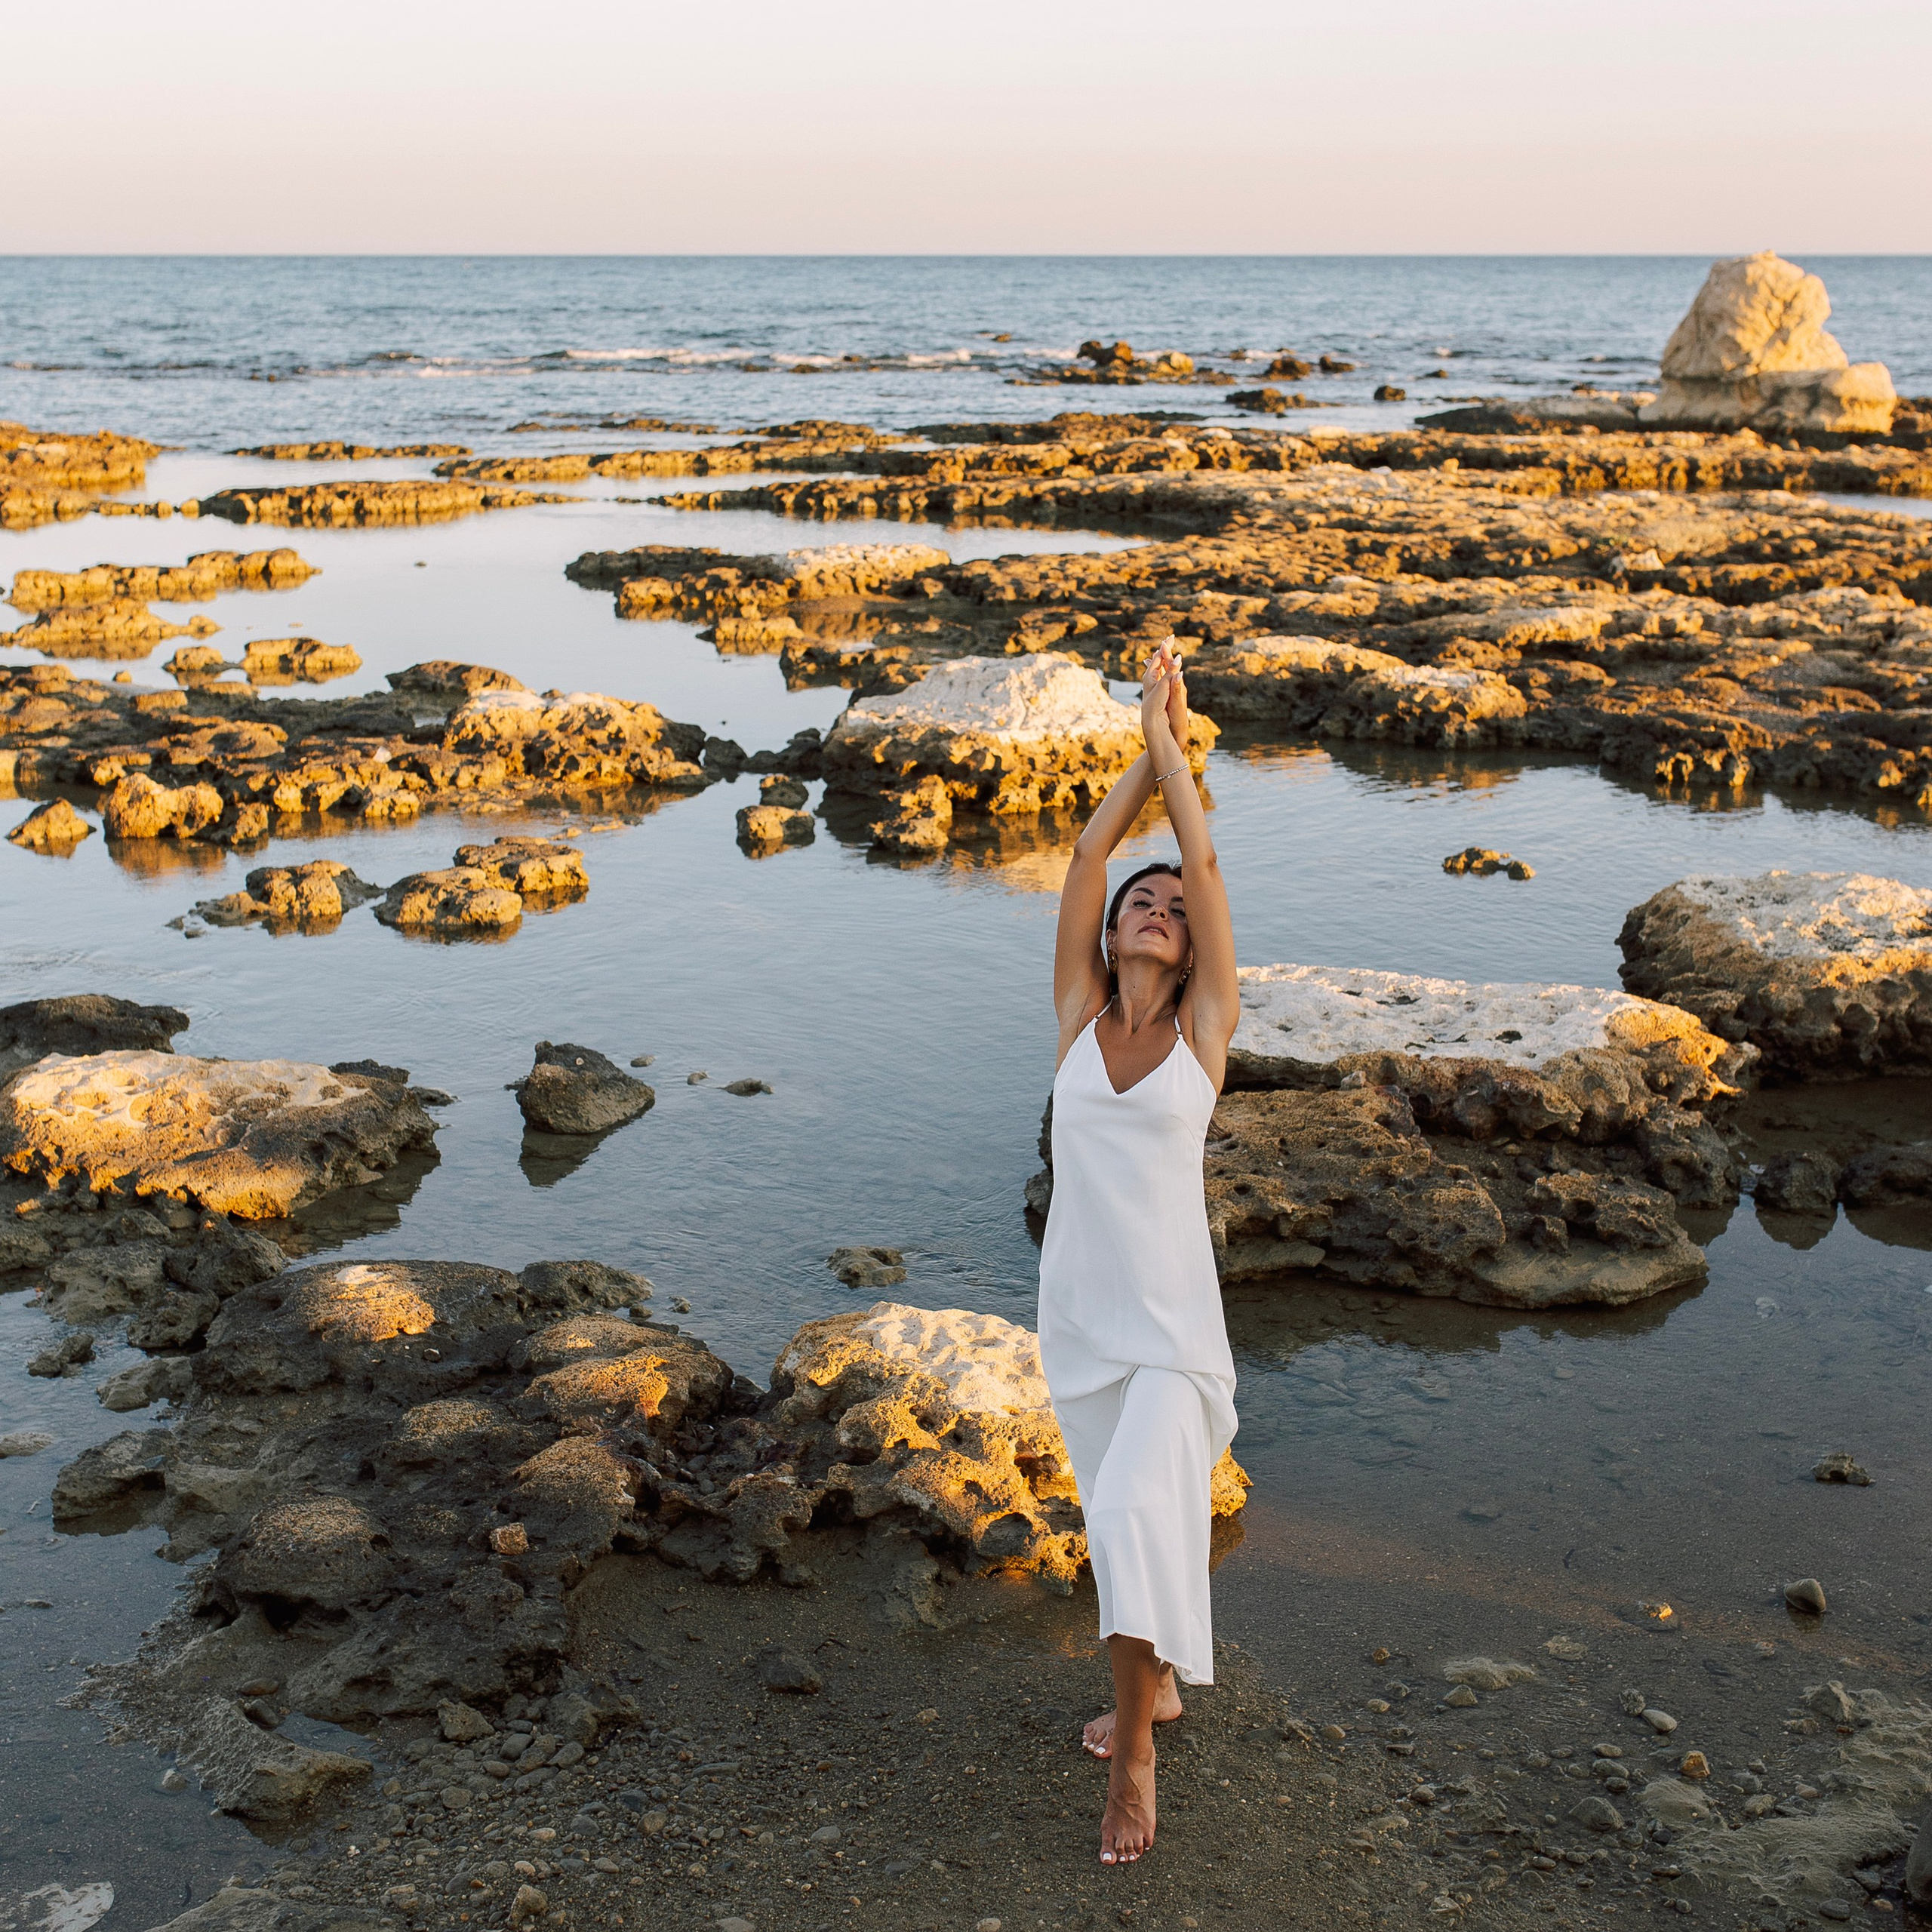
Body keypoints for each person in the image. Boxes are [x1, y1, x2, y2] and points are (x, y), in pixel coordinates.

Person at [1038, 638, 1241, 1866]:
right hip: (1080, 1319)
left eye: (1174, 909)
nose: (1159, 908)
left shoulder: (1204, 1036)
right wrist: (1137, 741)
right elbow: (1083, 854)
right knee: (1137, 1520)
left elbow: (1200, 856)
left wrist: (1174, 740)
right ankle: (1152, 1683)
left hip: (1171, 1332)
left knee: (1124, 1515)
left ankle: (1141, 1764)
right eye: (1142, 904)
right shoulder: (1075, 1022)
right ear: (1113, 934)